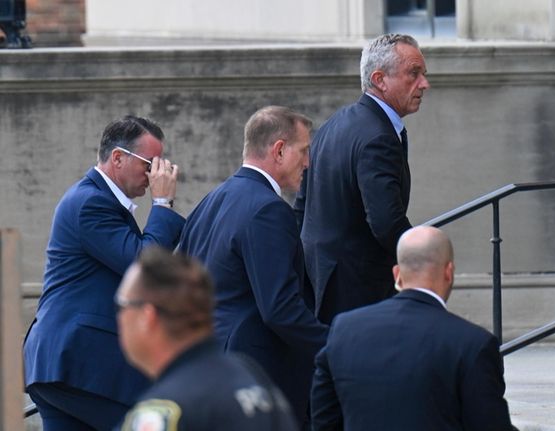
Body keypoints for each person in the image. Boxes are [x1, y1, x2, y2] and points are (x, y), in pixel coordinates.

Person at [23, 115, 185, 430]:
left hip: (62, 364)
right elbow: (144, 267)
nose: (155, 174)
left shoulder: (98, 200)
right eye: (149, 163)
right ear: (118, 158)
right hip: (78, 363)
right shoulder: (91, 203)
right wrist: (163, 203)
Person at [177, 106, 328, 428]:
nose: (308, 162)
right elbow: (280, 309)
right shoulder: (268, 210)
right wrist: (338, 344)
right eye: (304, 151)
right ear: (279, 150)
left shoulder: (211, 201)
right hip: (253, 374)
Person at [311, 226, 518, 431]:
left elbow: (323, 420)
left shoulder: (344, 330)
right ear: (449, 271)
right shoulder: (473, 344)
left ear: (397, 274)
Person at [294, 33, 430, 324]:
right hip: (359, 288)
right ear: (380, 79)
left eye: (424, 74)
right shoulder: (377, 137)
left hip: (323, 277)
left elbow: (301, 207)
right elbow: (386, 221)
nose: (424, 84)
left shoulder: (335, 123)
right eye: (414, 74)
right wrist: (422, 261)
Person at [115, 247, 298, 431]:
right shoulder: (252, 376)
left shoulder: (163, 411)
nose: (119, 317)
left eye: (121, 306)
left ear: (148, 317)